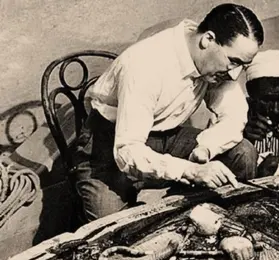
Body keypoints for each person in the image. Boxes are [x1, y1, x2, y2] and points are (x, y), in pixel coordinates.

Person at [73, 4, 264, 223]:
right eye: (233, 61)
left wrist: (206, 148)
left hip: (165, 137)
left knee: (243, 153)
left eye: (243, 65)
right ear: (208, 40)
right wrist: (190, 170)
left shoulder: (212, 60)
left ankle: (217, 224)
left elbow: (234, 114)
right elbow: (127, 152)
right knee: (116, 233)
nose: (235, 73)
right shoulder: (146, 64)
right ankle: (176, 219)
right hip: (108, 147)